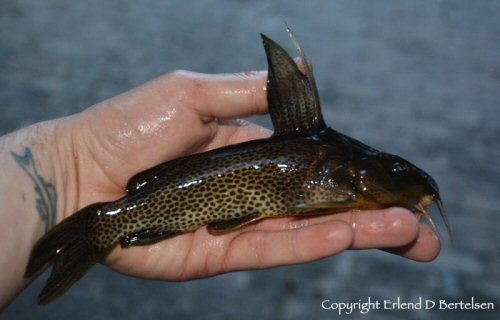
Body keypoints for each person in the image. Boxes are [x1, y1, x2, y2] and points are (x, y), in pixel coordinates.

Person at [0, 69, 440, 308]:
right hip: (137, 206)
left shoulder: (339, 164)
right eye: (396, 170)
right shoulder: (338, 161)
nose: (405, 177)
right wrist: (66, 167)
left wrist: (60, 165)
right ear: (363, 172)